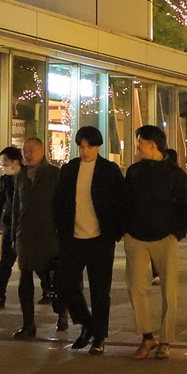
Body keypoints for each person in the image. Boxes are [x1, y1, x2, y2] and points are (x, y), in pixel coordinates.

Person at [122, 124, 187, 360]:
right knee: (135, 287)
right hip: (136, 237)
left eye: (140, 143)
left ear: (152, 145)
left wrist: (176, 233)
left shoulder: (174, 174)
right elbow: (125, 201)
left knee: (169, 291)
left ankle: (165, 339)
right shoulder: (134, 171)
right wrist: (126, 229)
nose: (138, 147)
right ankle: (147, 336)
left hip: (165, 237)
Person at [53, 125, 124, 355]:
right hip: (73, 238)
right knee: (66, 284)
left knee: (100, 290)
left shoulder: (109, 170)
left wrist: (115, 232)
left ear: (98, 146)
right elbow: (59, 201)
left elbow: (120, 202)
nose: (84, 151)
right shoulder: (70, 169)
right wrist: (61, 230)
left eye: (89, 147)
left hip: (100, 239)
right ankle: (88, 324)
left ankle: (98, 337)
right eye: (81, 146)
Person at [11, 136, 66, 338]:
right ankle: (28, 324)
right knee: (25, 279)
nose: (27, 154)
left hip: (48, 235)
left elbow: (62, 205)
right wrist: (14, 235)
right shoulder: (21, 176)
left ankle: (61, 311)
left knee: (51, 280)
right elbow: (16, 206)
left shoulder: (54, 174)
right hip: (25, 235)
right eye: (24, 150)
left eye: (31, 150)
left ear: (42, 151)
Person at [0, 145, 22, 308]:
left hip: (26, 225)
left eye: (5, 162)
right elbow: (0, 200)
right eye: (2, 162)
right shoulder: (5, 179)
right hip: (10, 224)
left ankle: (48, 290)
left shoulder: (27, 177)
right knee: (5, 262)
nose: (3, 165)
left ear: (16, 161)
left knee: (34, 263)